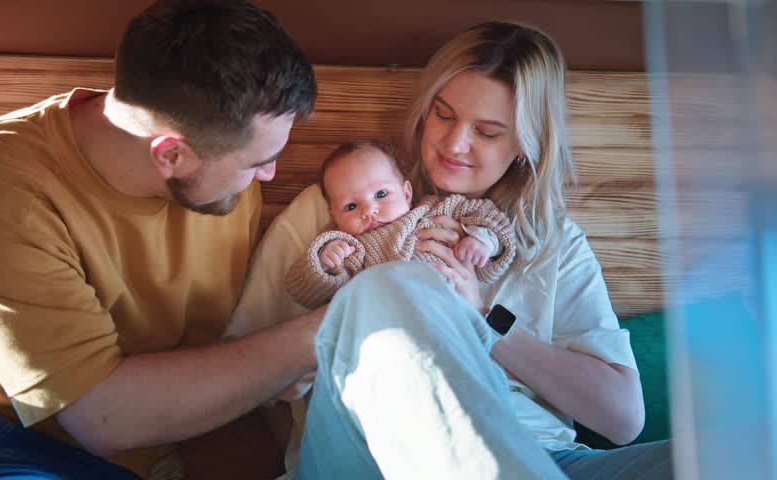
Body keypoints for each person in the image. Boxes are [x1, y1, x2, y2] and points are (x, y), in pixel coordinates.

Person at [227, 20, 673, 479]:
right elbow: (243, 372)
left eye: (488, 131)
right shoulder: (342, 204)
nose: (455, 144)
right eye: (443, 115)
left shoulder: (553, 242)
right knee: (385, 290)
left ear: (525, 144)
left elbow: (622, 420)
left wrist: (484, 321)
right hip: (373, 449)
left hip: (544, 456)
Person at [0, 0, 321, 479]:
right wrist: (318, 334)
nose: (270, 174)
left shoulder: (219, 180)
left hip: (129, 447)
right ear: (170, 155)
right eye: (257, 162)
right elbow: (102, 417)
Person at [284, 138, 516, 309]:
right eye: (351, 207)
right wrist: (324, 262)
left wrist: (482, 239)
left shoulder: (435, 212)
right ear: (334, 215)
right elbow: (302, 291)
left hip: (449, 318)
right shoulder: (346, 245)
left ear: (406, 193)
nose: (369, 211)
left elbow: (488, 214)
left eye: (381, 194)